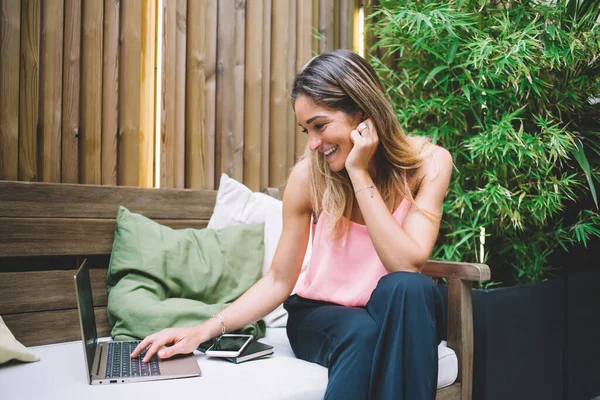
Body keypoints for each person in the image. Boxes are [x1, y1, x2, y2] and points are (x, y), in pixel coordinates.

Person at [131, 49, 452, 399]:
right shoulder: (307, 179)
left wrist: (359, 172)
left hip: (392, 310)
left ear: (361, 113)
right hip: (320, 316)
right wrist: (203, 330)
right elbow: (279, 279)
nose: (313, 144)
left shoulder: (429, 164)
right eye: (306, 131)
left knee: (411, 287)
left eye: (320, 126)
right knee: (363, 332)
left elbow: (407, 263)